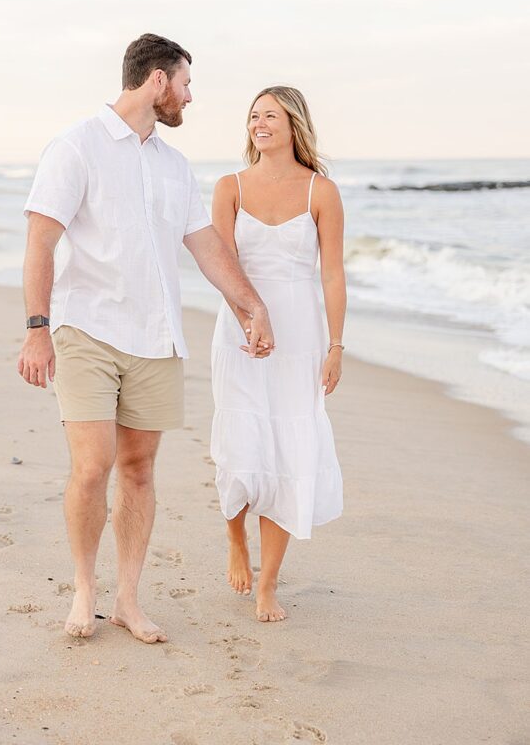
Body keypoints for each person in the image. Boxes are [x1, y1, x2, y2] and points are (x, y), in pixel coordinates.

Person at [18, 34, 274, 644]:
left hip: (157, 337)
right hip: (87, 330)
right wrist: (37, 330)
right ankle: (84, 590)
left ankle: (128, 600)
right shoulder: (76, 146)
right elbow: (40, 240)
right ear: (157, 82)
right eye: (185, 84)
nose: (190, 97)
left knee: (138, 470)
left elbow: (206, 246)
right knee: (93, 467)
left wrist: (250, 305)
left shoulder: (173, 165)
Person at [210, 85, 344, 623]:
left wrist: (336, 346)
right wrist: (249, 316)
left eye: (270, 115)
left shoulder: (321, 191)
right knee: (243, 437)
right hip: (239, 328)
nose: (259, 123)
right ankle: (235, 536)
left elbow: (332, 274)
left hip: (300, 332)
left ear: (294, 124)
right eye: (253, 116)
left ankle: (269, 584)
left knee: (291, 447)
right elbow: (221, 265)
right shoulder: (229, 187)